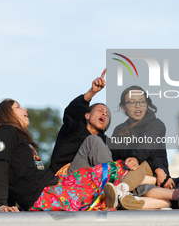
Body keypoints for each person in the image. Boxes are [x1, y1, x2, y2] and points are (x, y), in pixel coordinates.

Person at [0, 99, 179, 212]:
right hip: (55, 186)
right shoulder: (8, 132)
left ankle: (174, 198)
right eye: (18, 108)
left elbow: (11, 171)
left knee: (110, 200)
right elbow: (1, 165)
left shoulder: (17, 138)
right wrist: (1, 203)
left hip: (53, 192)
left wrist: (160, 166)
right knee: (129, 167)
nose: (24, 110)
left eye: (107, 112)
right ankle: (167, 189)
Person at [48, 69, 149, 209]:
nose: (104, 113)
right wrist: (92, 92)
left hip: (90, 184)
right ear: (87, 115)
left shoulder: (105, 142)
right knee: (93, 141)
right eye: (100, 110)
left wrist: (137, 160)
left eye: (107, 114)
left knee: (138, 162)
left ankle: (170, 191)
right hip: (66, 180)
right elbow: (71, 113)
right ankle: (117, 190)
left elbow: (127, 152)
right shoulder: (73, 129)